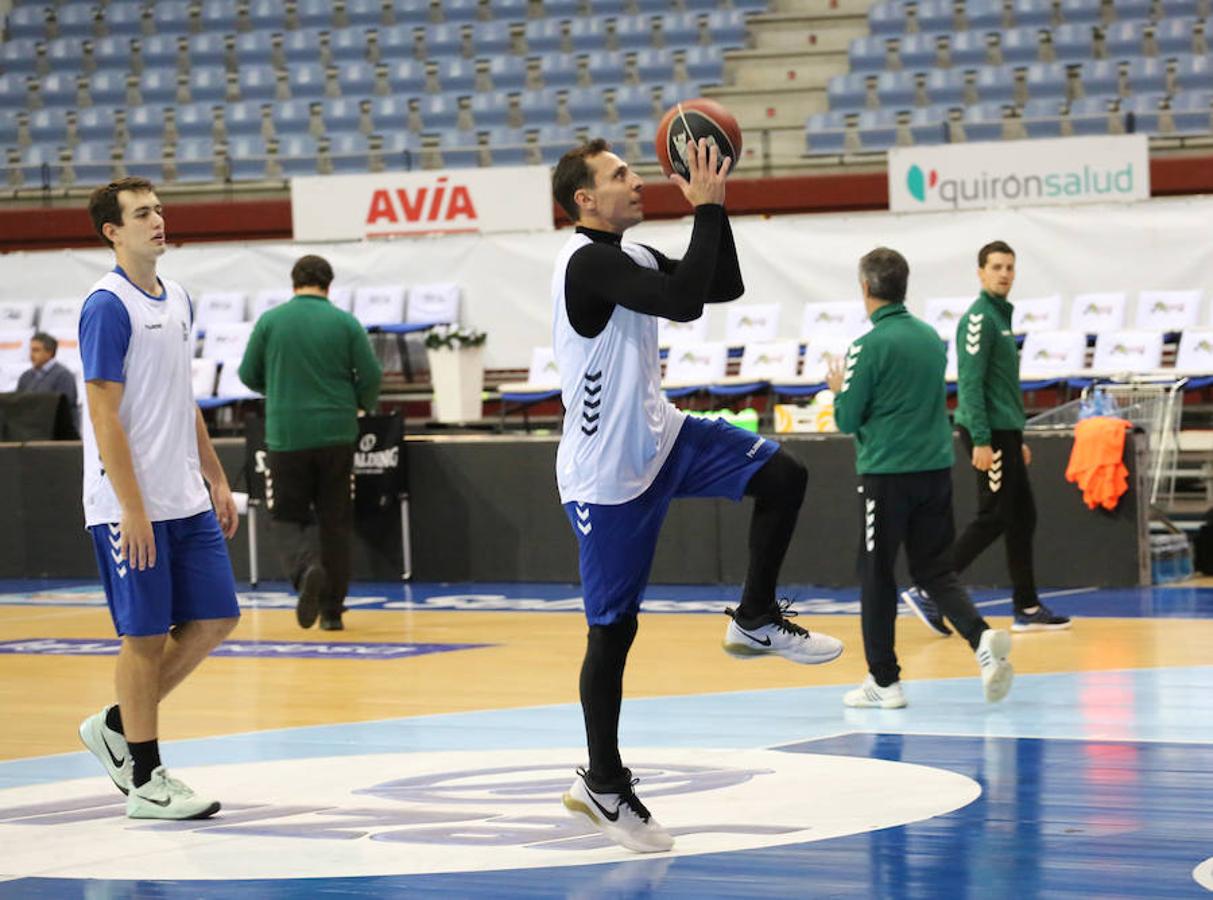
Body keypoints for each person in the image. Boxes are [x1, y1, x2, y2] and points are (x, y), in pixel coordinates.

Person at [550, 137, 843, 853]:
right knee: (612, 633)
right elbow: (682, 304)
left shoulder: (635, 255)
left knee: (782, 475)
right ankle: (603, 782)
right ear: (585, 199)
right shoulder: (585, 262)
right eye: (619, 175)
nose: (636, 180)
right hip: (608, 475)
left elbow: (720, 286)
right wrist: (704, 209)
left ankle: (755, 616)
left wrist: (719, 207)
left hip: (662, 437)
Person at [75, 177, 241, 820]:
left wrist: (216, 475)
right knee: (143, 637)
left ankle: (119, 722)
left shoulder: (179, 299)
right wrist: (132, 508)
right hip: (129, 504)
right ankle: (146, 780)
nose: (157, 221)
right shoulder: (106, 305)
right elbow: (103, 414)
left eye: (159, 210)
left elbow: (181, 397)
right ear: (111, 231)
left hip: (184, 496)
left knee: (215, 619)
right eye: (142, 214)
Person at [826, 247, 1013, 709]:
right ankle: (980, 638)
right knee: (935, 569)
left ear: (866, 288)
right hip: (934, 471)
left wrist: (836, 391)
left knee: (876, 574)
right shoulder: (931, 338)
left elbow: (848, 418)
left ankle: (884, 681)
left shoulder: (866, 347)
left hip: (886, 475)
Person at [900, 241, 1072, 636]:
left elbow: (1002, 387)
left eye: (1010, 267)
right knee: (994, 515)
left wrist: (1016, 435)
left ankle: (1026, 607)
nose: (1004, 273)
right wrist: (982, 439)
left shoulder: (1001, 318)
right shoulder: (979, 319)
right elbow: (972, 383)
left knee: (1022, 516)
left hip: (1003, 429)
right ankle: (929, 587)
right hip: (986, 431)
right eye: (996, 266)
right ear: (980, 272)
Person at [238, 255, 382, 632]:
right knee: (335, 520)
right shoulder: (345, 322)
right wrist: (361, 403)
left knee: (286, 516)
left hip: (287, 435)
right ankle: (332, 611)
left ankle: (306, 572)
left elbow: (247, 373)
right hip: (337, 433)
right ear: (328, 285)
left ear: (294, 283)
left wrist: (280, 388)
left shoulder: (271, 321)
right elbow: (370, 375)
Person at [17, 331, 79, 434]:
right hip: (29, 432)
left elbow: (65, 411)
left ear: (49, 352)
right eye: (31, 350)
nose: (31, 355)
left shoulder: (64, 376)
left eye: (36, 350)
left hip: (55, 434)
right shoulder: (25, 376)